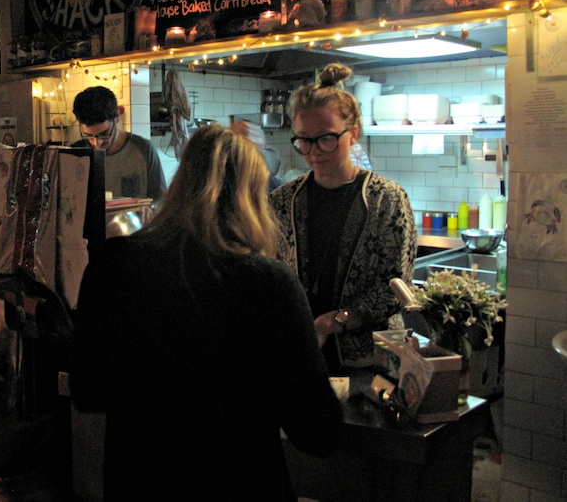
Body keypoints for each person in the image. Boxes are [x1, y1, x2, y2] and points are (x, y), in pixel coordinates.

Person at [72, 123, 342, 501]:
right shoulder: (269, 283)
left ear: (180, 184)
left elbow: (88, 392)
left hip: (140, 485)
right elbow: (317, 433)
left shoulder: (112, 265)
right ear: (253, 197)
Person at [270, 63, 417, 372]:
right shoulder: (283, 200)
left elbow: (396, 287)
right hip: (300, 351)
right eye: (304, 140)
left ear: (353, 134)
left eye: (326, 138)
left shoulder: (386, 198)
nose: (314, 152)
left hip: (372, 358)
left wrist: (333, 322)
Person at [71, 86, 166, 200]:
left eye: (104, 133)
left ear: (117, 116)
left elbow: (161, 200)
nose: (97, 143)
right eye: (89, 135)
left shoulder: (144, 149)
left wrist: (151, 208)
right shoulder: (74, 155)